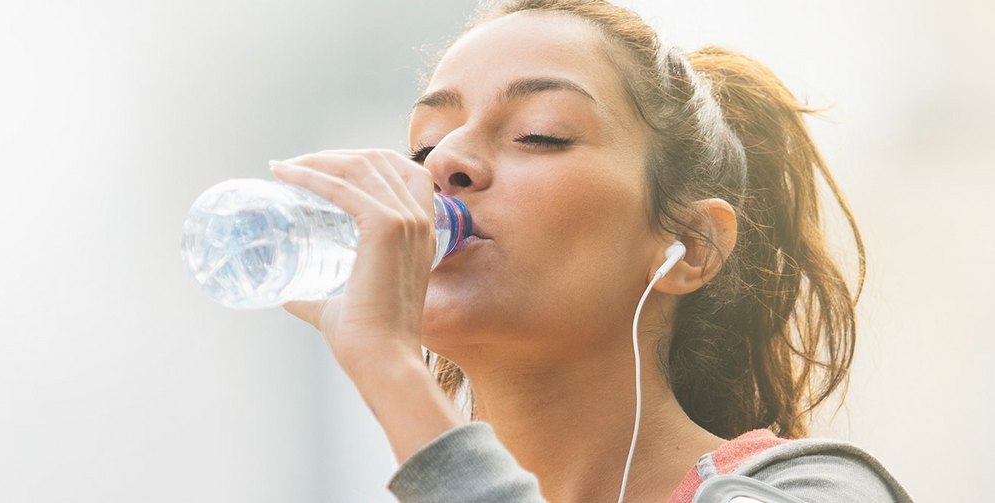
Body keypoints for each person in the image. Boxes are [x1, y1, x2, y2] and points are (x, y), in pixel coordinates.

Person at [265, 0, 913, 501]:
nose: (444, 163)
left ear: (690, 245)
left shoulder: (815, 487)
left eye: (539, 135)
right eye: (424, 143)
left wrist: (390, 368)